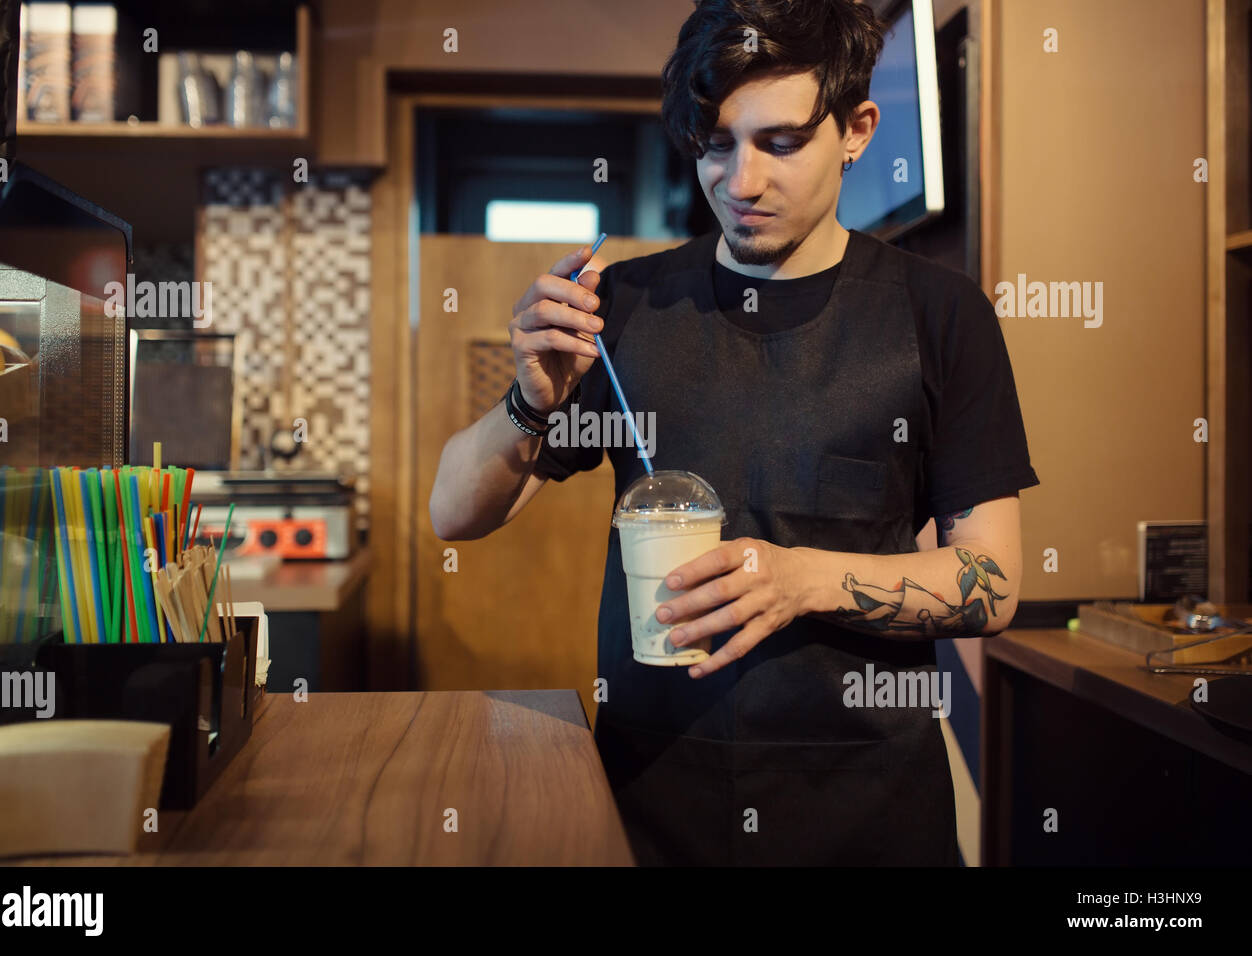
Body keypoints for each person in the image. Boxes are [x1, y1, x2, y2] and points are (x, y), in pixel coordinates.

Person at [429, 0, 1038, 866]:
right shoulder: (631, 306)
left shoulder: (936, 314)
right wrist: (527, 399)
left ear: (857, 129)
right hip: (652, 793)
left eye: (780, 144)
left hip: (867, 803)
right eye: (718, 143)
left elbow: (996, 581)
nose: (740, 181)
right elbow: (454, 513)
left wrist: (803, 580)